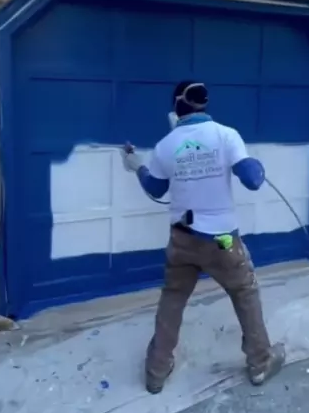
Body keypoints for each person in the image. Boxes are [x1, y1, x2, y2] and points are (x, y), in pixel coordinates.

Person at [122, 80, 285, 395]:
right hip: (222, 241)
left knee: (173, 298)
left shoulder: (166, 145)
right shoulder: (226, 135)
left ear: (176, 107)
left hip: (182, 241)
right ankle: (260, 362)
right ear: (204, 104)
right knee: (244, 291)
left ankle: (156, 371)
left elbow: (156, 189)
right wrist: (254, 165)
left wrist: (136, 166)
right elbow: (253, 180)